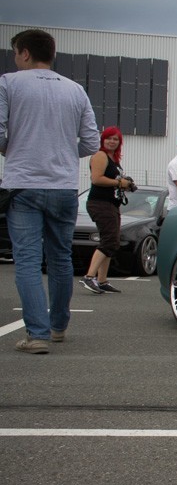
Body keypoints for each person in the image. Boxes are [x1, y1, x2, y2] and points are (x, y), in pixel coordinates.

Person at [1, 28, 99, 354]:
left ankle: (37, 335)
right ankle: (58, 327)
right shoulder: (75, 90)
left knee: (28, 261)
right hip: (63, 185)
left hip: (24, 184)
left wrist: (13, 149)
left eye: (16, 53)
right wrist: (64, 152)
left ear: (25, 53)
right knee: (60, 258)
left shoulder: (8, 83)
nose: (16, 59)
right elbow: (91, 142)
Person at [81, 126, 135, 294]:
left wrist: (127, 184)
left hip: (112, 204)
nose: (112, 141)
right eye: (108, 138)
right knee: (109, 240)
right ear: (102, 140)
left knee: (112, 241)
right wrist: (119, 183)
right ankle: (89, 277)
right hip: (100, 203)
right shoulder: (100, 155)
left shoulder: (113, 158)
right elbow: (96, 179)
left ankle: (102, 280)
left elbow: (114, 180)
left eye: (115, 139)